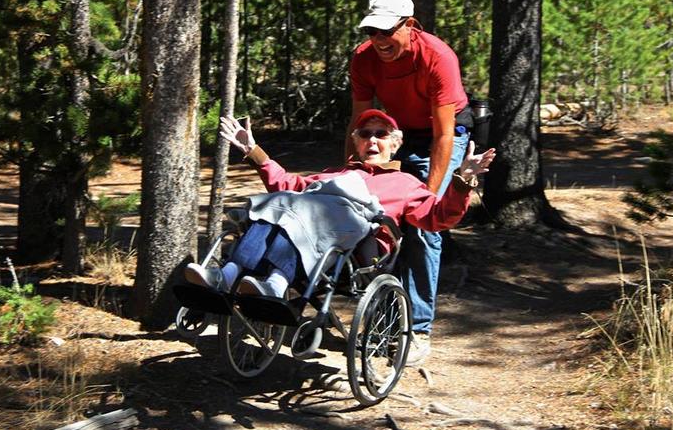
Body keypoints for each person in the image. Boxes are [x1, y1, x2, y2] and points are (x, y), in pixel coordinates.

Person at [186, 110, 495, 309]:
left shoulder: (406, 183)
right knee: (279, 204)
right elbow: (287, 184)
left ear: (395, 144)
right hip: (315, 228)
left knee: (306, 207)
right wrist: (252, 150)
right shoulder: (335, 173)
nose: (372, 140)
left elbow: (439, 217)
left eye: (381, 134)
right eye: (365, 134)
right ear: (356, 142)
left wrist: (462, 180)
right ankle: (226, 276)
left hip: (361, 247)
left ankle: (277, 284)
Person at [347, 0, 475, 364]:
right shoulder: (364, 58)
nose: (379, 40)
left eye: (387, 31)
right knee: (368, 215)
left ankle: (417, 330)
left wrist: (429, 199)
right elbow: (359, 123)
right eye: (373, 31)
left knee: (422, 226)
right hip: (394, 131)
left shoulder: (437, 56)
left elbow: (444, 134)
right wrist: (351, 174)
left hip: (443, 131)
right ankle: (381, 314)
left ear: (410, 25)